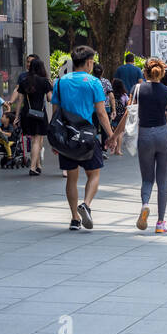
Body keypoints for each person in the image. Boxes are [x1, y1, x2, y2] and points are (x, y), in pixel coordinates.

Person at [115, 57, 167, 233]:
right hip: (163, 135)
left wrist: (114, 135)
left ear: (144, 72)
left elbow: (128, 115)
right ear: (161, 74)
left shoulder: (137, 89)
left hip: (144, 135)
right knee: (162, 181)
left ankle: (145, 204)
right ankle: (161, 223)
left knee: (147, 179)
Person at [52, 45, 115, 231]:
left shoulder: (60, 82)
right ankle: (86, 204)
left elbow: (55, 113)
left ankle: (74, 219)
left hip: (67, 136)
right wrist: (111, 135)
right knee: (94, 174)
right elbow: (102, 113)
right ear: (88, 62)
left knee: (71, 178)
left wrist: (55, 140)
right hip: (87, 136)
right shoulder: (94, 82)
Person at [9, 57, 52, 176]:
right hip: (40, 113)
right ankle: (33, 168)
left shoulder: (24, 81)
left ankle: (37, 165)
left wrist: (17, 116)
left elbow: (20, 101)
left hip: (27, 113)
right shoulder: (44, 81)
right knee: (37, 141)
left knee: (33, 140)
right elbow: (50, 99)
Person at [110, 79, 130, 155]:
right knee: (120, 133)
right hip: (121, 116)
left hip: (113, 115)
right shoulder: (124, 95)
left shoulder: (111, 95)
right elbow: (128, 104)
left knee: (114, 132)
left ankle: (113, 149)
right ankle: (118, 149)